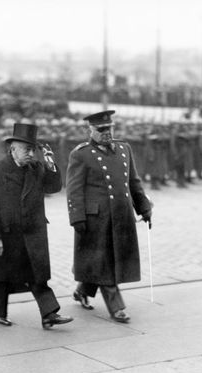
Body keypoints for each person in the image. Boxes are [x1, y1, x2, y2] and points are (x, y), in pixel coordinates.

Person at [0, 123, 73, 328]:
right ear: (12, 148)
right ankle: (0, 313)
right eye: (26, 149)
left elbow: (54, 186)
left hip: (32, 232)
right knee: (1, 277)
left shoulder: (37, 169)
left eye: (33, 150)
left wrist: (50, 163)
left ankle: (49, 314)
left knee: (37, 276)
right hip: (5, 234)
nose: (31, 154)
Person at [66, 110, 153, 323]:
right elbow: (74, 189)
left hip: (121, 216)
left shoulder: (124, 149)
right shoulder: (81, 154)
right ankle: (117, 307)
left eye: (109, 129)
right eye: (101, 130)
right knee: (105, 263)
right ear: (91, 130)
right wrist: (77, 217)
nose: (106, 133)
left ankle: (82, 290)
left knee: (103, 261)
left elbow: (133, 182)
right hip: (97, 219)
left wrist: (144, 209)